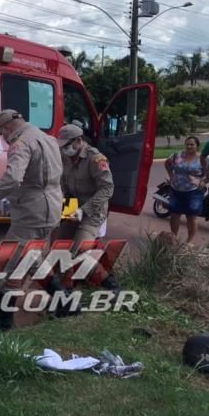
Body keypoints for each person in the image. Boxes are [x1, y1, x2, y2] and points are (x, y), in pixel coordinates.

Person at [0, 109, 64, 331]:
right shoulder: (47, 138)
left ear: (7, 128)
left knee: (10, 264)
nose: (3, 137)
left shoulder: (21, 143)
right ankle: (66, 303)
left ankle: (4, 325)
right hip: (51, 207)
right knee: (32, 259)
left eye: (2, 132)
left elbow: (13, 177)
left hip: (32, 212)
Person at [53, 124, 119, 291]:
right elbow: (63, 181)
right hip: (73, 206)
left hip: (93, 210)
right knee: (58, 246)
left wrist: (84, 210)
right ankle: (61, 287)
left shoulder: (95, 159)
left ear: (79, 141)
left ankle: (110, 283)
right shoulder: (65, 156)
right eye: (62, 146)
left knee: (80, 250)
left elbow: (107, 188)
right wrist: (65, 205)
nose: (64, 149)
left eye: (67, 145)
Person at [164, 136, 205, 245]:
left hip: (193, 191)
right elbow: (167, 163)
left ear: (197, 146)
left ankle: (189, 242)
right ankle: (174, 239)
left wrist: (203, 181)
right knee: (174, 214)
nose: (189, 146)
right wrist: (171, 176)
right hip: (176, 189)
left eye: (192, 144)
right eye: (187, 144)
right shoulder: (177, 155)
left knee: (191, 216)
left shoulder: (202, 159)